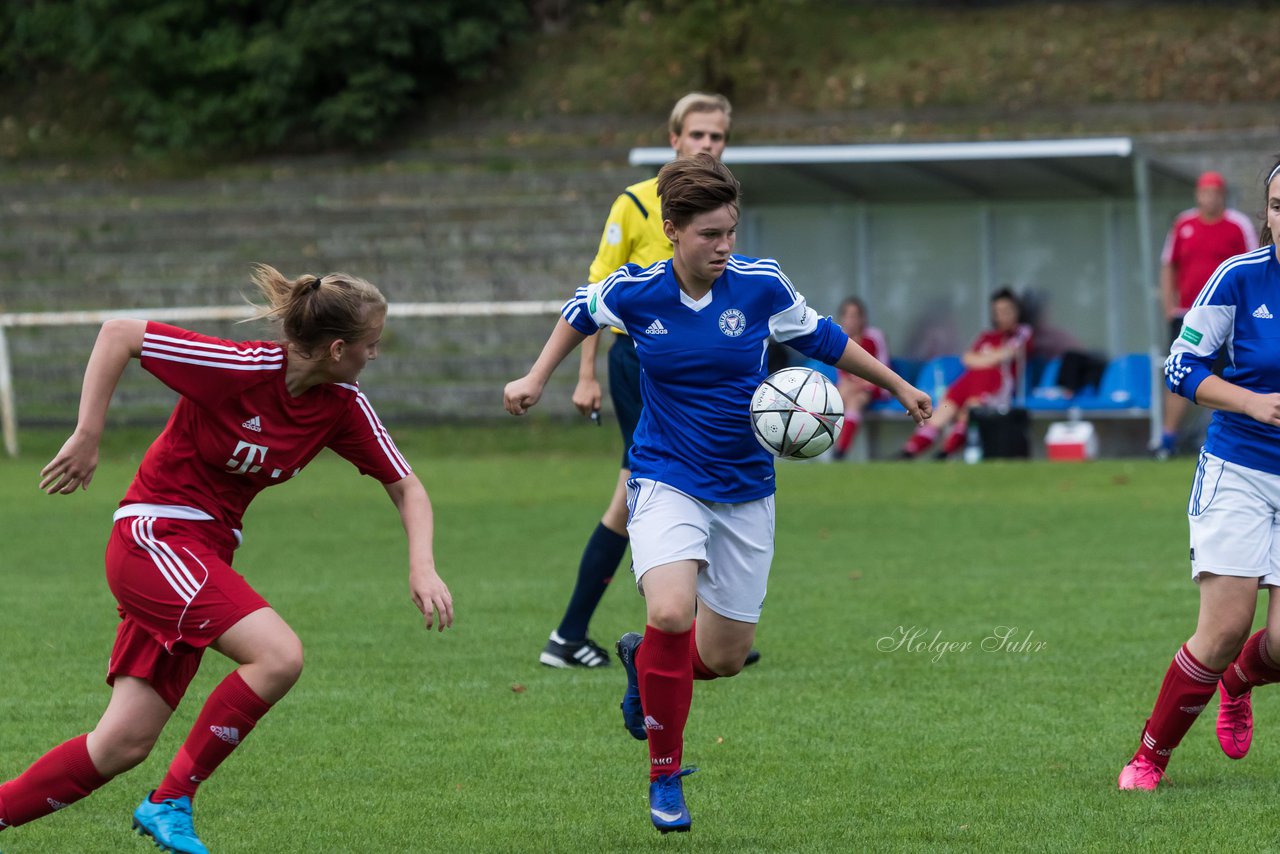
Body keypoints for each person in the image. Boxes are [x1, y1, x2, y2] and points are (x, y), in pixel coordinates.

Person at [504, 154, 930, 833]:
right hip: (666, 475)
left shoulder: (758, 284)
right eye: (710, 235)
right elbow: (579, 311)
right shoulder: (639, 290)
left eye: (731, 231)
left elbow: (823, 336)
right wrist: (534, 378)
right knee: (671, 612)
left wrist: (897, 385)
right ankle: (665, 779)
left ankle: (645, 666)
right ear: (673, 230)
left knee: (724, 658)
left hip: (746, 486)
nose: (724, 247)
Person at [0, 266, 453, 852]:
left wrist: (422, 564)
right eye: (373, 343)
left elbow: (407, 486)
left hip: (203, 555)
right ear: (339, 348)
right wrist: (88, 434)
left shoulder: (340, 405)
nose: (376, 354)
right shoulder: (239, 368)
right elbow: (119, 334)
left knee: (121, 745)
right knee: (279, 655)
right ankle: (170, 801)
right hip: (154, 537)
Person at [539, 92, 736, 670]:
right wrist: (584, 376)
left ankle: (690, 633)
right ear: (674, 140)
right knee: (641, 488)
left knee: (657, 488)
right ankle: (582, 634)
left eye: (717, 137)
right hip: (642, 366)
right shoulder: (634, 204)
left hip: (700, 372)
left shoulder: (718, 206)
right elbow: (596, 294)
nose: (706, 145)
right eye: (696, 135)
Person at [1117, 159, 1280, 791]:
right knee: (1224, 629)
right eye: (1276, 204)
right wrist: (1249, 402)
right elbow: (1180, 367)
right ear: (1264, 214)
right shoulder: (1238, 279)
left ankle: (1240, 680)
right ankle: (1149, 757)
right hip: (1238, 467)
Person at [1154, 170, 1257, 459]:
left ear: (1222, 195)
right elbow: (1167, 265)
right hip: (1188, 314)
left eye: (1215, 192)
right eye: (1204, 192)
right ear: (1198, 195)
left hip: (1228, 316)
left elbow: (1254, 266)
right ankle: (1167, 440)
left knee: (1229, 376)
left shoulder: (1238, 225)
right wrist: (1168, 307)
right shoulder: (1183, 223)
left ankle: (1227, 441)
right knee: (1179, 369)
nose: (1209, 198)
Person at [897, 287, 1032, 460]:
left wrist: (985, 358)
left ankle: (943, 453)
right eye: (998, 311)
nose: (1002, 315)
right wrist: (992, 357)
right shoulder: (986, 336)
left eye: (1007, 310)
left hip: (994, 382)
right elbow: (967, 358)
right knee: (943, 411)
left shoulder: (1022, 333)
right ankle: (908, 452)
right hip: (968, 380)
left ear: (1016, 312)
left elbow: (1009, 353)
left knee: (969, 411)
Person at [831, 297, 890, 461]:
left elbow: (884, 367)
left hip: (877, 384)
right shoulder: (840, 338)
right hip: (852, 387)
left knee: (855, 399)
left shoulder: (874, 337)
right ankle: (828, 447)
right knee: (837, 396)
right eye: (848, 316)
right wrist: (850, 384)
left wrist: (862, 382)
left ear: (863, 318)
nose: (851, 320)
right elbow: (842, 373)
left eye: (855, 315)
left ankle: (840, 451)